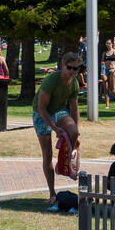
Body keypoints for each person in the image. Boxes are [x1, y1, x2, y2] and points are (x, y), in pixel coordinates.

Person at [34, 52, 83, 209]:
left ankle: (63, 162)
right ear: (63, 65)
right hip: (42, 114)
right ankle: (52, 193)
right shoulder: (52, 80)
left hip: (59, 112)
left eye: (76, 69)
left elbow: (74, 108)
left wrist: (77, 132)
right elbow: (41, 108)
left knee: (74, 132)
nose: (72, 72)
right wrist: (54, 128)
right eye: (69, 68)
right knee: (47, 155)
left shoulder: (74, 83)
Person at [102, 39, 115, 110]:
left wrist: (114, 69)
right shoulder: (104, 53)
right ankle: (107, 104)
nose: (108, 45)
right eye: (106, 43)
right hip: (105, 71)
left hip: (113, 71)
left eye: (109, 43)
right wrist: (102, 70)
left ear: (112, 44)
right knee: (105, 89)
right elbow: (102, 62)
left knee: (112, 89)